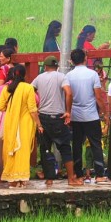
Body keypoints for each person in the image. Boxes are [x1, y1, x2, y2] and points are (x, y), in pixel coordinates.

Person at [32, 55, 79, 187]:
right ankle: (71, 179)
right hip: (58, 118)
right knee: (65, 148)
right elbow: (69, 93)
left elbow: (30, 91)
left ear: (45, 67)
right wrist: (68, 111)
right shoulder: (61, 77)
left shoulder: (39, 78)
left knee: (45, 148)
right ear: (57, 66)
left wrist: (36, 107)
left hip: (43, 118)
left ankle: (49, 179)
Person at [0, 64, 40, 188]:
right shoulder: (28, 88)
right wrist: (39, 124)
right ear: (24, 74)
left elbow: (0, 107)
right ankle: (21, 178)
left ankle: (12, 179)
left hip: (10, 123)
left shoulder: (7, 89)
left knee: (10, 149)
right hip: (24, 125)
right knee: (22, 150)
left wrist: (12, 107)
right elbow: (32, 109)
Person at [67, 48, 107, 181]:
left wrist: (68, 112)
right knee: (96, 144)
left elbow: (68, 96)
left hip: (75, 116)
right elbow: (98, 97)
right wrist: (105, 113)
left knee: (77, 145)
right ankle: (99, 175)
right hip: (91, 115)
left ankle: (79, 174)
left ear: (72, 61)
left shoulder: (69, 76)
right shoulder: (93, 75)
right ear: (85, 58)